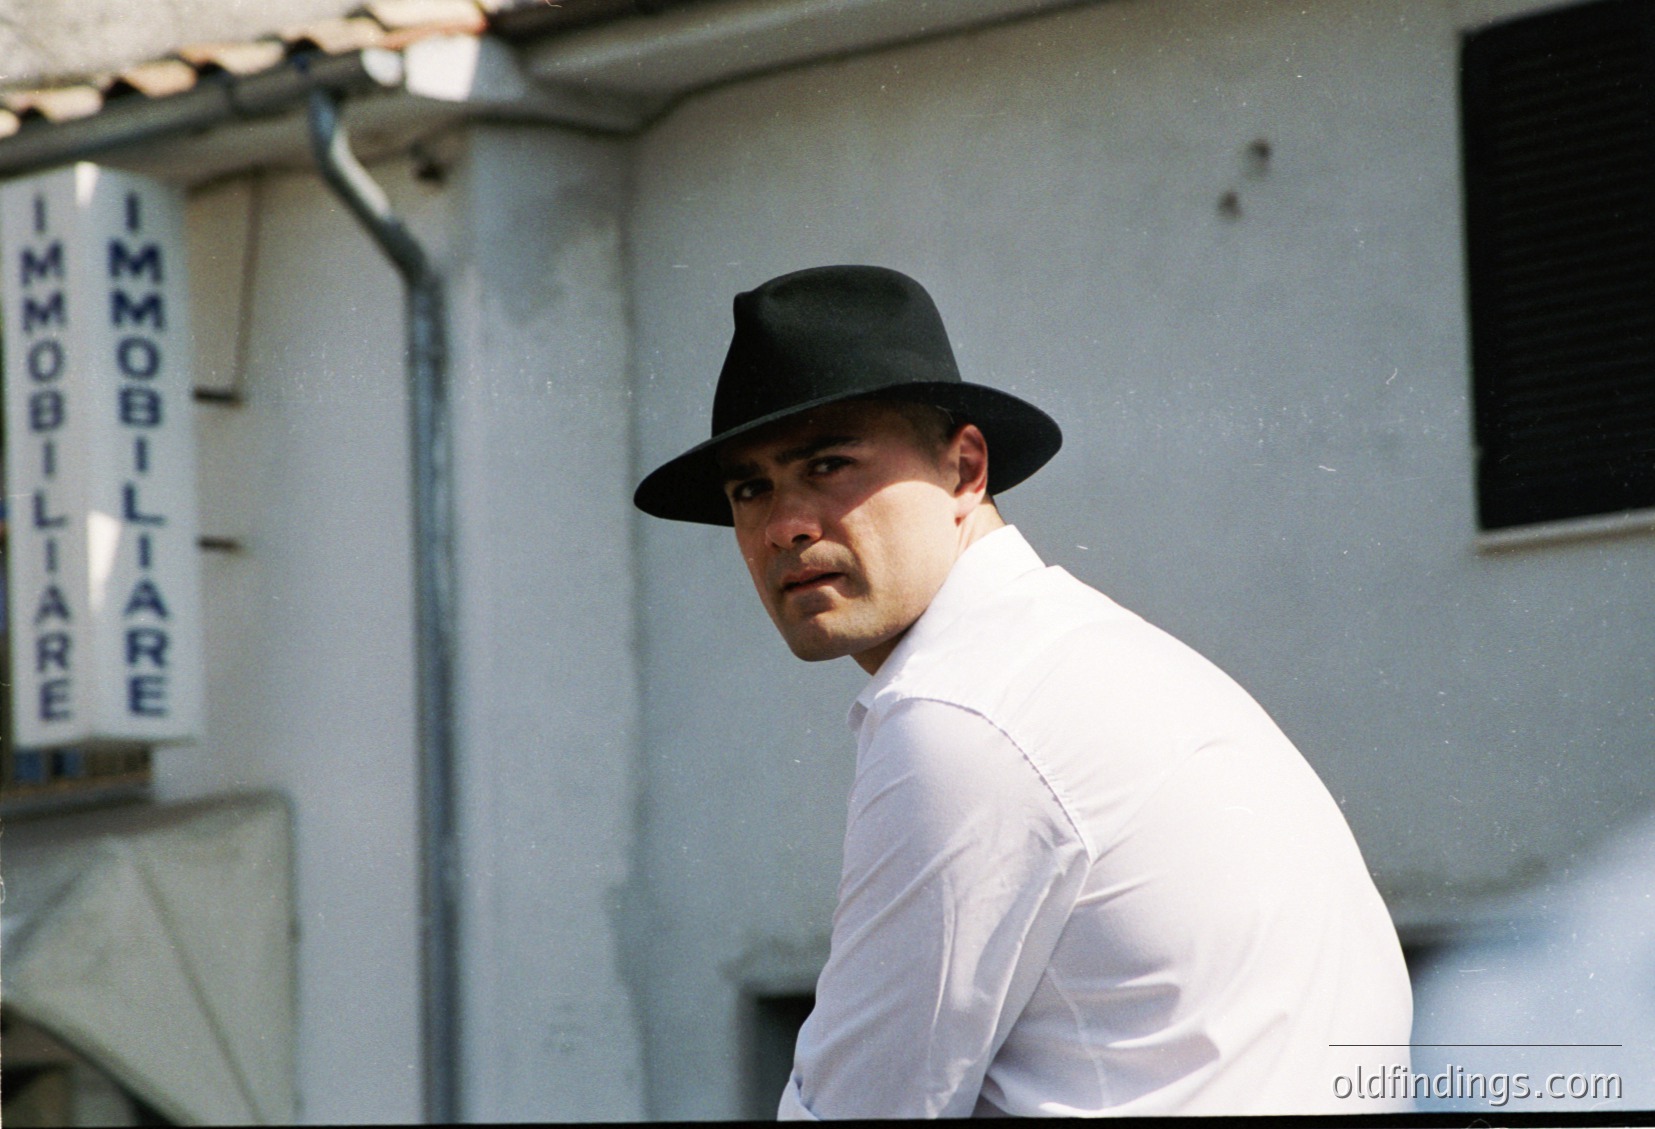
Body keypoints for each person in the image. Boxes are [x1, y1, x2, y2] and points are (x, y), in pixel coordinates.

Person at [634, 265, 1413, 1118]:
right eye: (750, 488)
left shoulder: (965, 716)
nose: (785, 522)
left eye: (828, 463)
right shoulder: (1091, 659)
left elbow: (852, 1110)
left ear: (966, 467)